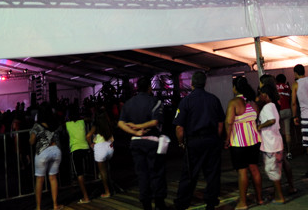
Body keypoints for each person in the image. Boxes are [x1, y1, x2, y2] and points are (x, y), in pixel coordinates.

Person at [173, 71, 225, 210]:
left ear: (191, 83)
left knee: (189, 174)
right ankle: (211, 202)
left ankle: (182, 203)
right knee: (212, 173)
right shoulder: (214, 99)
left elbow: (179, 127)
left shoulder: (186, 101)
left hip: (194, 142)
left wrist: (181, 142)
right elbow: (220, 124)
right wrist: (216, 138)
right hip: (211, 140)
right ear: (205, 83)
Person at [118, 77, 167, 210]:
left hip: (136, 143)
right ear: (149, 88)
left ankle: (146, 203)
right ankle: (159, 203)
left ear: (137, 88)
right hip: (152, 142)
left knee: (142, 174)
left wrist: (134, 132)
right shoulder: (155, 101)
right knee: (156, 173)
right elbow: (155, 122)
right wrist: (140, 127)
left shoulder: (128, 103)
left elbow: (120, 123)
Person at [225, 76, 264, 210]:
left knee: (242, 172)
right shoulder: (253, 103)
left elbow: (229, 122)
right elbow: (256, 119)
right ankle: (259, 199)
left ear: (235, 88)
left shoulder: (234, 102)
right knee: (254, 169)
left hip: (239, 142)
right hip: (254, 140)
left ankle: (243, 202)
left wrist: (227, 139)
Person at [29, 102, 64, 210]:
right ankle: (55, 205)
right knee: (53, 178)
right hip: (56, 151)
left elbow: (32, 141)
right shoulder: (56, 123)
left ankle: (38, 207)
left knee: (40, 180)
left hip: (43, 152)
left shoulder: (37, 125)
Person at [257, 84, 286, 204]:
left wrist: (260, 126)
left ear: (265, 95)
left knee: (272, 171)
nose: (259, 96)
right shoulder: (273, 105)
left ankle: (280, 197)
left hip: (271, 144)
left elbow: (272, 120)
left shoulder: (267, 107)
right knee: (276, 170)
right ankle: (277, 194)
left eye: (261, 94)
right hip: (277, 142)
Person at [65, 105, 91, 204]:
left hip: (76, 150)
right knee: (85, 171)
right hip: (86, 148)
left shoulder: (67, 124)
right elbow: (89, 118)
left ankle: (86, 197)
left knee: (79, 173)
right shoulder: (82, 121)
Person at [87, 109, 115, 198]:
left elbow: (88, 136)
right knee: (107, 168)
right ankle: (111, 187)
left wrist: (91, 144)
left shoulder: (96, 125)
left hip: (100, 148)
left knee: (102, 172)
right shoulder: (108, 124)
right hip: (109, 147)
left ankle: (107, 191)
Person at [275, 74, 294, 159]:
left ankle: (280, 151)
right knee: (287, 133)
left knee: (278, 132)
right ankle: (289, 152)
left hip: (279, 111)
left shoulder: (275, 87)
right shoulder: (287, 86)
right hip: (288, 110)